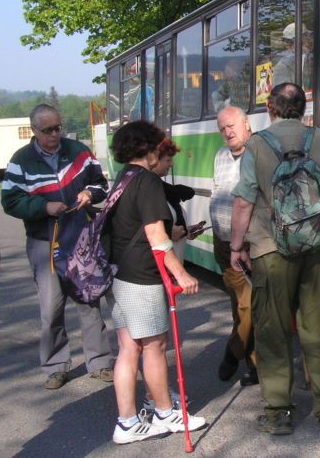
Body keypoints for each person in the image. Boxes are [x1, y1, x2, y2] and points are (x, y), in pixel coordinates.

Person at [230, 83, 320, 435]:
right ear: (304, 107)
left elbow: (243, 202)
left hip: (271, 249)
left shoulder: (256, 145)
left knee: (273, 330)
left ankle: (278, 412)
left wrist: (237, 246)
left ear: (270, 108)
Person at [1, 104, 115, 390]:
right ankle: (55, 366)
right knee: (51, 307)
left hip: (80, 238)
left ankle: (99, 361)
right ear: (34, 131)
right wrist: (44, 206)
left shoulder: (78, 151)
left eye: (57, 127)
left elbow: (102, 184)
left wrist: (90, 193)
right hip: (45, 241)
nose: (54, 134)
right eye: (48, 130)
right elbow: (10, 201)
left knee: (88, 301)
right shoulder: (21, 160)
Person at [107, 120, 206, 444]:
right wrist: (182, 273)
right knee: (154, 346)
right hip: (143, 276)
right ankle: (164, 411)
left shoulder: (124, 177)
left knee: (128, 349)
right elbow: (157, 236)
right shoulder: (147, 180)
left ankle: (128, 421)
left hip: (120, 274)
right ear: (147, 147)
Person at [210, 106, 257, 386]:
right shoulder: (220, 156)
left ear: (246, 123)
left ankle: (233, 351)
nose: (227, 132)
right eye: (222, 128)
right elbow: (218, 189)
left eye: (232, 125)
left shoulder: (258, 154)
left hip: (250, 245)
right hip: (223, 243)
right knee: (237, 306)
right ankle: (254, 366)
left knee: (249, 308)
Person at [152, 138, 200, 262]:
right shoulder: (149, 192)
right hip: (160, 272)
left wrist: (184, 231)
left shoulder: (162, 189)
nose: (172, 164)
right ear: (153, 160)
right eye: (168, 160)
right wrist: (168, 232)